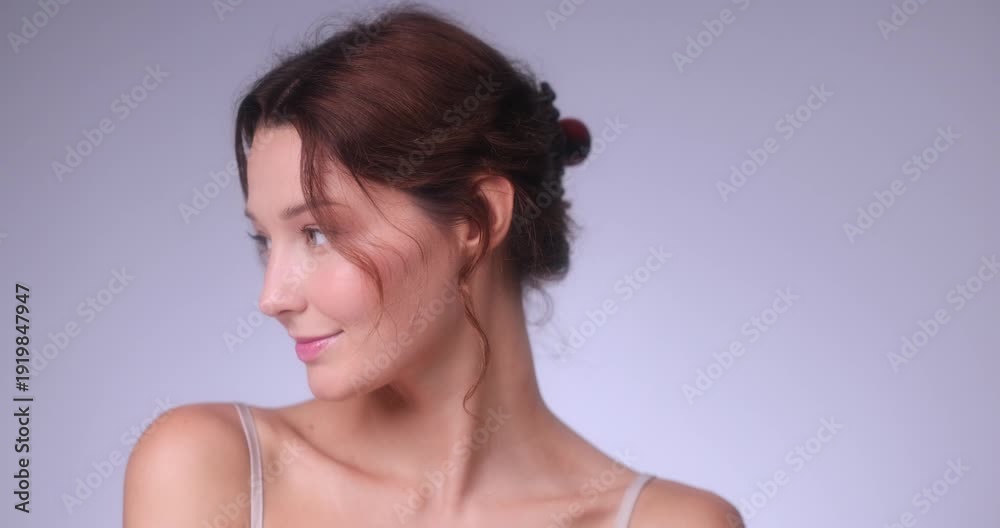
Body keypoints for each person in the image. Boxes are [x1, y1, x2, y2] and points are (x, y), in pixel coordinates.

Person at [123, 4, 742, 527]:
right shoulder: (213, 469)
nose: (272, 297)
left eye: (317, 233)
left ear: (477, 219)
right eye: (265, 240)